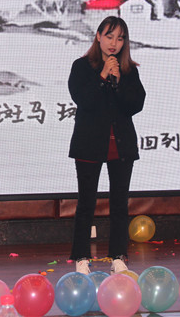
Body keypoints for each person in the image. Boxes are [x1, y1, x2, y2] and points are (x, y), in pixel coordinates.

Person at [68, 16, 146, 275]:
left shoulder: (128, 70)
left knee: (120, 204)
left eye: (120, 38)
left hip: (121, 145)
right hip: (89, 143)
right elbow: (84, 100)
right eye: (110, 36)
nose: (114, 43)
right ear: (98, 36)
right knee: (86, 203)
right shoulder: (81, 66)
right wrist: (102, 76)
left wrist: (118, 80)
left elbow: (135, 105)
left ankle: (118, 257)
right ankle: (81, 257)